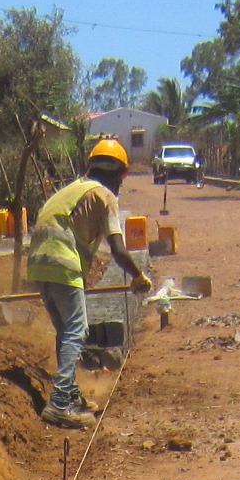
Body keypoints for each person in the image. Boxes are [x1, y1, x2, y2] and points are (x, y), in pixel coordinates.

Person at [26, 138, 154, 429]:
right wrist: (138, 276)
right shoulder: (105, 195)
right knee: (77, 329)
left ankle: (69, 394)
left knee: (65, 331)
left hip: (39, 264)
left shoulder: (71, 189)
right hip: (64, 263)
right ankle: (59, 404)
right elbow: (119, 250)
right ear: (120, 174)